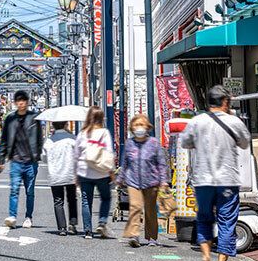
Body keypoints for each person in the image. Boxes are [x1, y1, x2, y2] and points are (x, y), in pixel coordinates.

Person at [181, 85, 251, 261]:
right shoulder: (234, 121)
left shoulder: (197, 121)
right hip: (227, 180)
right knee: (227, 222)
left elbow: (185, 142)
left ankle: (205, 258)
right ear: (226, 102)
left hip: (203, 181)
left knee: (204, 219)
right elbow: (245, 143)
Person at [119, 114, 168, 247]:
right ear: (131, 128)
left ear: (147, 127)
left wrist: (163, 180)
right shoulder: (129, 143)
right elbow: (125, 162)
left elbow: (161, 163)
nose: (139, 128)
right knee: (134, 207)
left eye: (141, 125)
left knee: (150, 209)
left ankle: (152, 237)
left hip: (151, 182)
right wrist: (120, 178)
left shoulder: (153, 143)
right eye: (136, 125)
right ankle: (134, 235)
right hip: (133, 181)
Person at [0, 90, 42, 229]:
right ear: (15, 103)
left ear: (27, 102)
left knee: (30, 191)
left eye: (23, 101)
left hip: (31, 161)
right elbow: (4, 140)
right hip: (16, 161)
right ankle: (12, 216)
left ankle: (28, 217)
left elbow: (39, 139)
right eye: (18, 101)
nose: (21, 103)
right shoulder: (10, 119)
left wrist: (37, 154)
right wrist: (1, 160)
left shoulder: (34, 118)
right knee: (14, 189)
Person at [75, 106, 115, 239]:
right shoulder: (104, 133)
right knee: (106, 197)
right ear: (101, 118)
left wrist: (76, 175)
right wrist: (112, 172)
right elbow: (109, 153)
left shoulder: (82, 133)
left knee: (86, 200)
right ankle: (102, 222)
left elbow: (76, 155)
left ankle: (87, 231)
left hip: (84, 171)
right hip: (101, 171)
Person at [41, 121, 78, 236]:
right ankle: (72, 224)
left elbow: (43, 158)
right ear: (66, 125)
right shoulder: (72, 138)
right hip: (70, 174)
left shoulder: (49, 141)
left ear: (53, 126)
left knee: (58, 201)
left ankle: (62, 228)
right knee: (72, 200)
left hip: (55, 175)